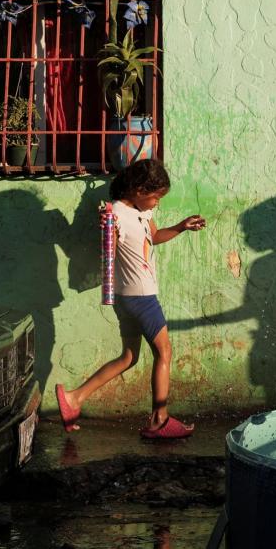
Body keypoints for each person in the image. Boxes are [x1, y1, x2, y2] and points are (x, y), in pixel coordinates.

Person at [55, 159, 205, 439]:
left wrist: (182, 226)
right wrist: (106, 226)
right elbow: (108, 248)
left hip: (130, 296)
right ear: (138, 189)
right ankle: (160, 419)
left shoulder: (141, 213)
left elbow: (155, 236)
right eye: (155, 196)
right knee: (165, 352)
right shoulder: (116, 214)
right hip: (140, 296)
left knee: (129, 356)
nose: (157, 202)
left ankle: (74, 398)